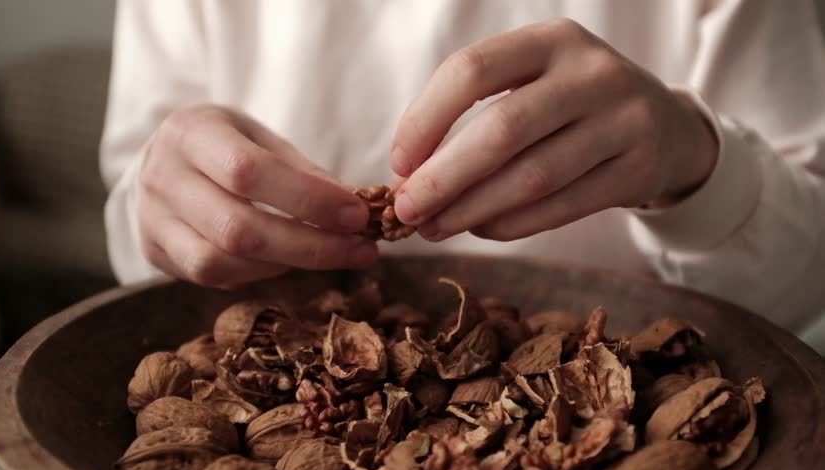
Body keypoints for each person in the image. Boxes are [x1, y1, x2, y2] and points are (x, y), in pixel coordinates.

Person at [101, 1, 825, 338]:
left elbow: (807, 278)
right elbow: (135, 225)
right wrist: (162, 204)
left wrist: (693, 160)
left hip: (622, 384)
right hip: (288, 374)